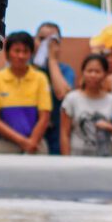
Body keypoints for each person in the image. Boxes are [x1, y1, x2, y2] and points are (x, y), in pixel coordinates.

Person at [0, 31, 52, 154]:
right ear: (7, 53)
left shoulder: (40, 78)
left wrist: (32, 142)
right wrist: (22, 141)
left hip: (35, 142)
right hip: (4, 143)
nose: (21, 55)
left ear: (31, 54)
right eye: (17, 51)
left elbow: (45, 117)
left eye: (25, 51)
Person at [60, 54, 112, 157]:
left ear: (105, 74)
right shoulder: (71, 99)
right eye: (89, 71)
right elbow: (64, 133)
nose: (93, 75)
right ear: (83, 72)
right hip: (77, 157)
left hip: (106, 157)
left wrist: (111, 128)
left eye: (97, 71)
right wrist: (66, 159)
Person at [32, 21, 74, 155]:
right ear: (34, 41)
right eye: (42, 39)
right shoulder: (24, 67)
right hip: (31, 133)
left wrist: (52, 60)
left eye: (52, 40)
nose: (46, 44)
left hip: (57, 134)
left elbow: (62, 93)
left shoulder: (65, 70)